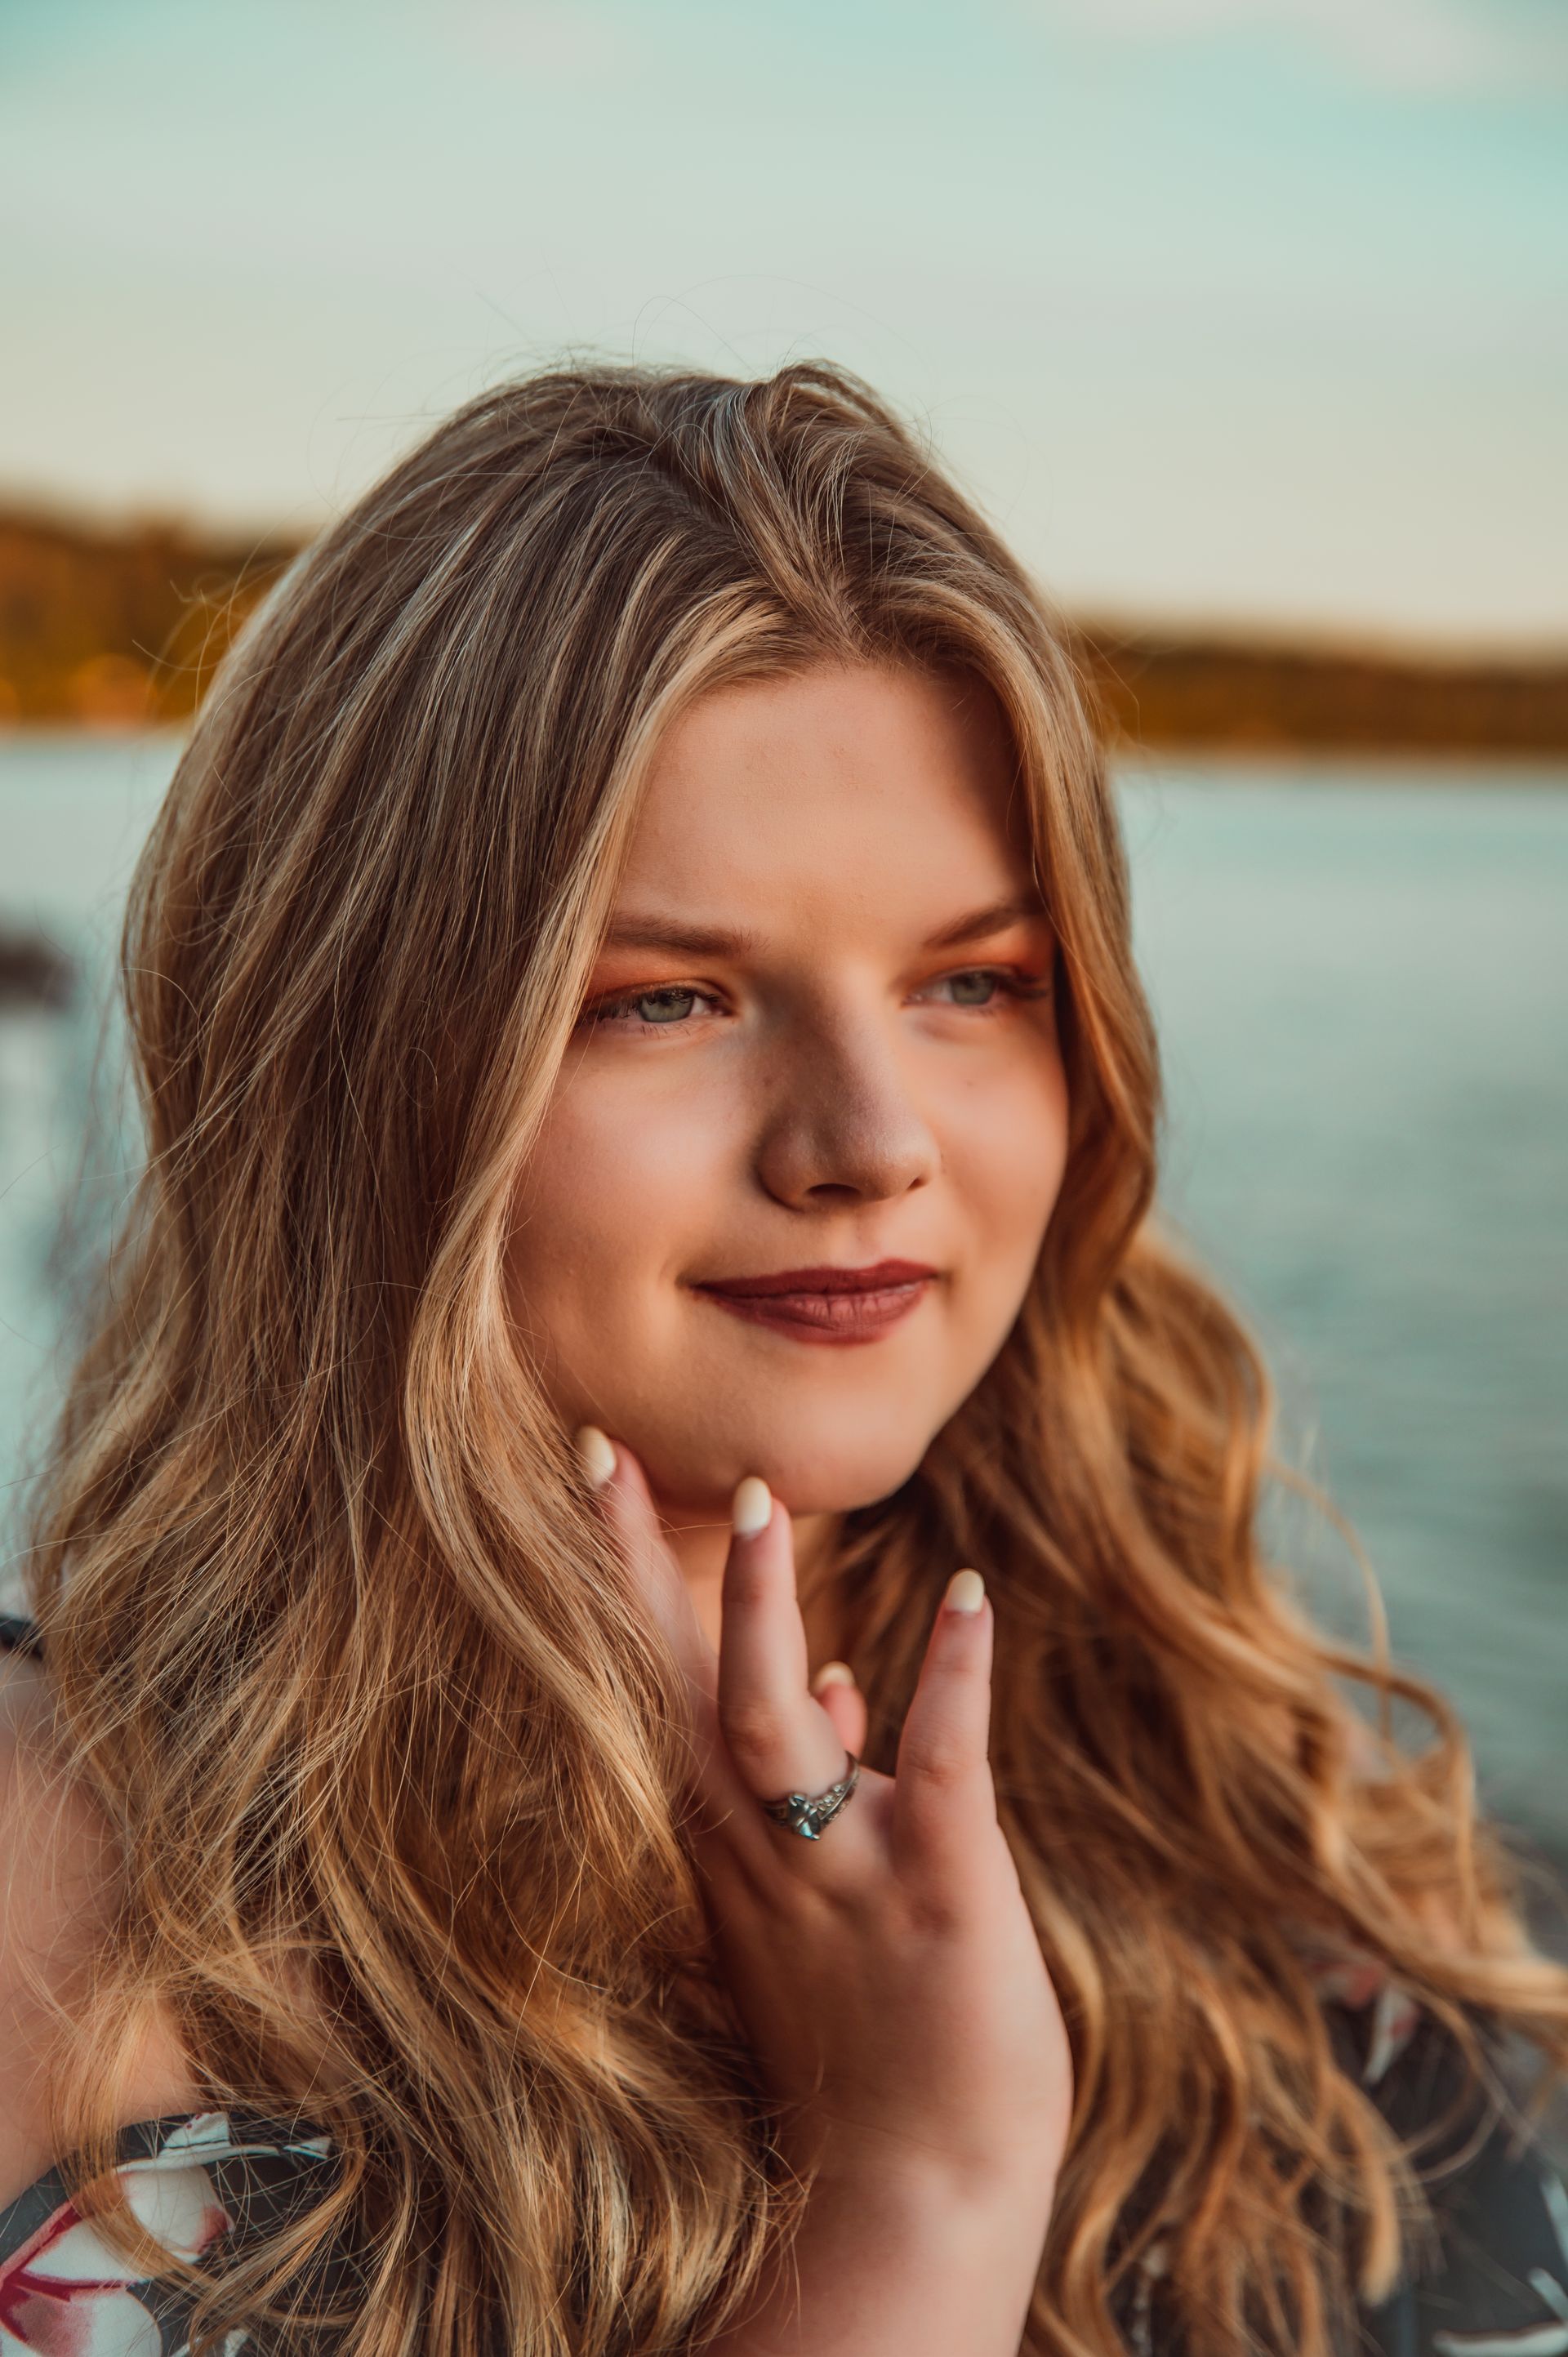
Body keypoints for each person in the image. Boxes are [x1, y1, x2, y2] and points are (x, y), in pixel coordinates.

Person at [0, 362, 1563, 2357]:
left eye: (972, 982)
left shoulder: (1210, 1770)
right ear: (355, 1066)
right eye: (670, 999)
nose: (870, 1139)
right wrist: (918, 2196)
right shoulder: (66, 1871)